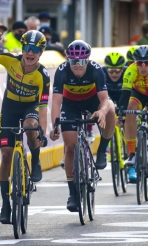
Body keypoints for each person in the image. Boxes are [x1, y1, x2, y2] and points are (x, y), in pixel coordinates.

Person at [0, 30, 49, 224]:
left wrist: (43, 129)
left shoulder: (43, 75)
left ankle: (36, 160)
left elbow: (43, 107)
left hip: (30, 108)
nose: (30, 53)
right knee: (6, 154)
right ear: (22, 49)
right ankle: (5, 204)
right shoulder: (11, 61)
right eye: (27, 48)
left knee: (30, 126)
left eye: (35, 50)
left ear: (41, 52)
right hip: (10, 108)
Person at [49, 40, 115, 212]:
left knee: (111, 110)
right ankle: (72, 193)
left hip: (92, 101)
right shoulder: (62, 71)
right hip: (71, 105)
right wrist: (55, 124)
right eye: (73, 62)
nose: (77, 65)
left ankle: (102, 150)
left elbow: (105, 100)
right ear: (68, 60)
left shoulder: (96, 70)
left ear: (87, 60)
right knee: (70, 146)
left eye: (81, 62)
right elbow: (56, 102)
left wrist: (101, 112)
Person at [118, 46, 148, 183]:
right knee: (130, 110)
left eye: (147, 63)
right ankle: (132, 154)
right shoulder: (130, 70)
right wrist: (121, 114)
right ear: (135, 63)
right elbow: (125, 93)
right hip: (138, 94)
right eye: (140, 63)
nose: (144, 66)